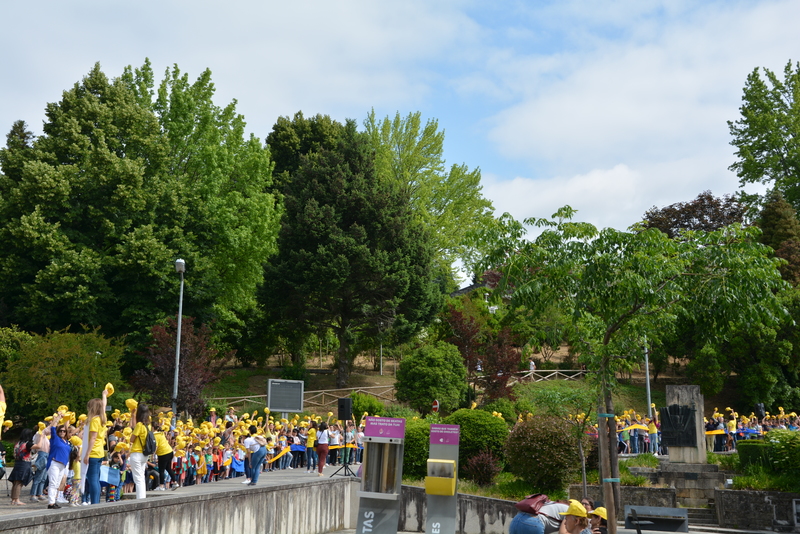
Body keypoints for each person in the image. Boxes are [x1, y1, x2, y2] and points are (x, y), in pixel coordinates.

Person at [81, 388, 108, 505]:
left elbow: (92, 438)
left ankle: (94, 502)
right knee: (96, 479)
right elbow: (104, 406)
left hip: (93, 453)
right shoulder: (103, 419)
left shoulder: (94, 421)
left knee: (92, 479)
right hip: (100, 452)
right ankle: (95, 502)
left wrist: (86, 454)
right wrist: (104, 395)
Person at [46, 414, 71, 509]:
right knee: (53, 483)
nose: (62, 432)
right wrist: (57, 418)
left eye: (64, 431)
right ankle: (51, 503)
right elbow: (52, 427)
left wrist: (67, 420)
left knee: (57, 484)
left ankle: (54, 501)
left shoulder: (67, 442)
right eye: (60, 431)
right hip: (54, 463)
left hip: (63, 465)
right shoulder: (55, 439)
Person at [129, 402, 151, 499]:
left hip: (136, 453)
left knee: (138, 479)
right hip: (144, 454)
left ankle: (140, 499)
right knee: (141, 477)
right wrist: (133, 415)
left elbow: (132, 439)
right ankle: (142, 497)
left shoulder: (139, 425)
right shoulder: (148, 425)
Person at [8, 429, 35, 506]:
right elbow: (39, 446)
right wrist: (42, 436)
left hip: (17, 463)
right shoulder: (27, 444)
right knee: (20, 482)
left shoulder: (18, 443)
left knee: (15, 482)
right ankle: (17, 500)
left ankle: (13, 499)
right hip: (24, 463)